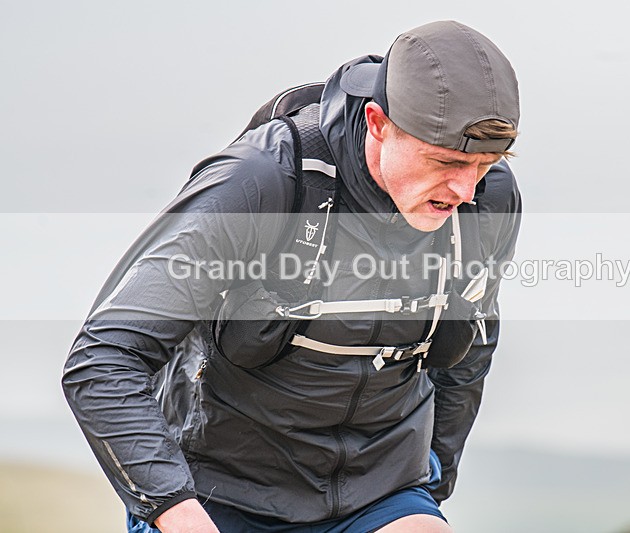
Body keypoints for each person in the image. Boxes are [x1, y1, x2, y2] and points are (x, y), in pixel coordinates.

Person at [63, 20, 522, 533]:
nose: (464, 189)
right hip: (217, 493)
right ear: (377, 122)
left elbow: (470, 351)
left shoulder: (488, 201)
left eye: (485, 164)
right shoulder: (260, 183)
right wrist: (176, 511)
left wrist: (430, 489)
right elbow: (104, 359)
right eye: (445, 161)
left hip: (378, 491)